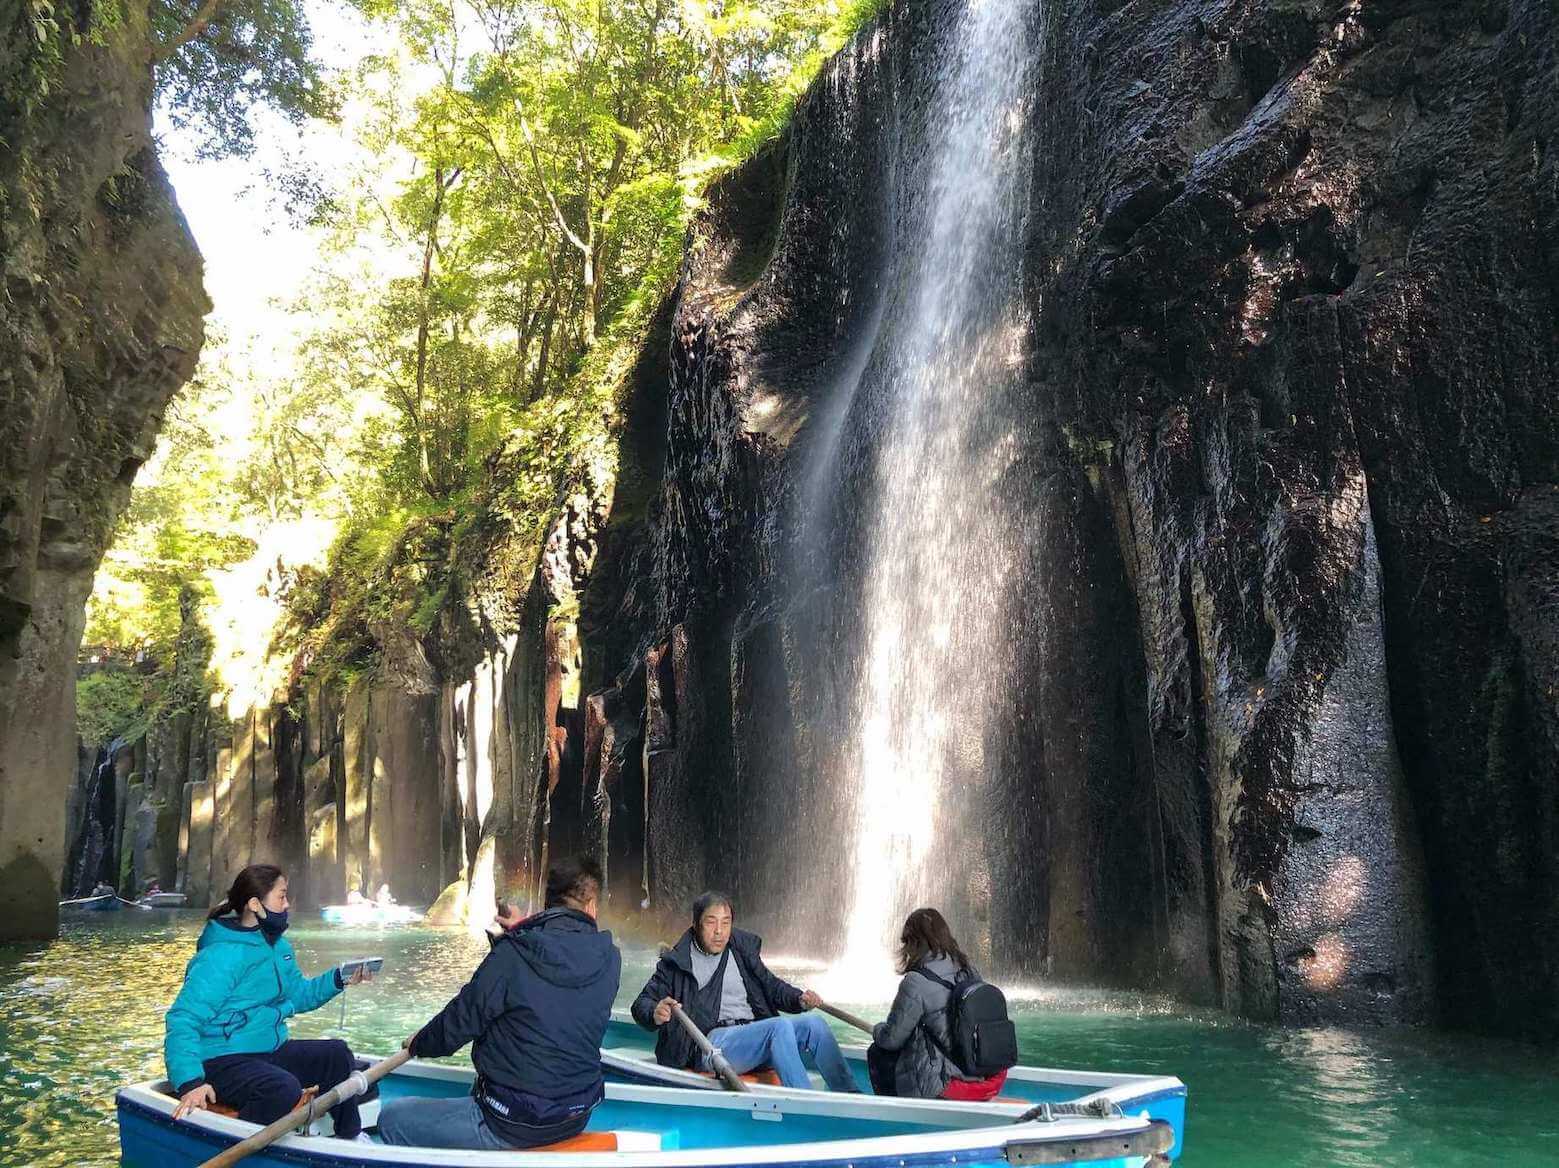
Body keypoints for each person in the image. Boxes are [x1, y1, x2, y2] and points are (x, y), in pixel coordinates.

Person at [377, 858, 621, 1150]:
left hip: (512, 1122)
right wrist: (519, 935)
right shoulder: (611, 958)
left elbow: (462, 1019)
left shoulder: (514, 954)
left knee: (391, 1119)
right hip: (577, 1114)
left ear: (547, 902)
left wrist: (420, 1042)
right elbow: (553, 987)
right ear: (592, 907)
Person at [164, 864, 373, 1140]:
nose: (287, 904)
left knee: (337, 1054)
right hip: (220, 1059)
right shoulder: (220, 956)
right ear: (254, 904)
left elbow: (298, 996)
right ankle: (237, 1144)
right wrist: (191, 1082)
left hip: (266, 1049)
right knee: (282, 1088)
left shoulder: (278, 948)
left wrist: (339, 978)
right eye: (282, 896)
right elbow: (183, 1019)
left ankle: (350, 1140)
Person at [631, 891, 857, 1092]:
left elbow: (771, 986)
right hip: (712, 1044)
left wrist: (799, 999)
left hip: (753, 1035)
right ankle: (809, 1108)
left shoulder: (741, 950)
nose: (719, 931)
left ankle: (852, 1100)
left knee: (814, 1024)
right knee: (778, 1027)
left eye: (725, 923)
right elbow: (642, 1003)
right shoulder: (678, 963)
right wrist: (654, 1011)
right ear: (696, 924)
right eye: (711, 923)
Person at [866, 907, 1006, 1100]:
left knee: (878, 1052)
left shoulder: (916, 981)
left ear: (913, 942)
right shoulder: (968, 970)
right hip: (980, 1073)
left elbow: (892, 1040)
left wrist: (878, 1030)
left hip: (940, 1082)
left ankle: (897, 1118)